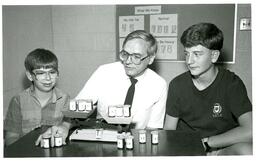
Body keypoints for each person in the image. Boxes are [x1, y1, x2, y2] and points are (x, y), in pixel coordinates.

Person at [164, 23, 252, 155]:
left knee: (247, 151)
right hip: (188, 147)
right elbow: (169, 130)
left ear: (214, 56)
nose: (189, 61)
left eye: (197, 54)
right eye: (187, 54)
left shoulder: (232, 84)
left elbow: (250, 130)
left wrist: (207, 142)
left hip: (221, 147)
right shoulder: (177, 85)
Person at [75, 30, 167, 129]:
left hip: (136, 140)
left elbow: (153, 128)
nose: (127, 61)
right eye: (125, 54)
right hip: (104, 137)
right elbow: (76, 109)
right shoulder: (104, 72)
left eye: (136, 56)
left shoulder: (159, 84)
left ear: (151, 58)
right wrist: (64, 126)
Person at [4, 48, 70, 147]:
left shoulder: (64, 99)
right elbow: (10, 139)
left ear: (58, 73)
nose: (48, 78)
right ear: (30, 76)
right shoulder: (18, 100)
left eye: (52, 72)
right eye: (40, 73)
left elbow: (69, 125)